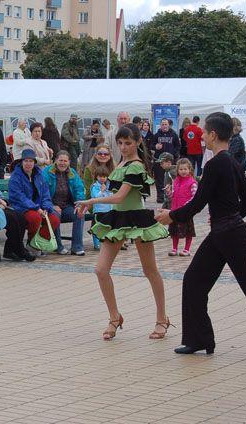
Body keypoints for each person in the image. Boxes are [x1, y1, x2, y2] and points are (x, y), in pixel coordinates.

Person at [155, 112, 246, 358]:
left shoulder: (215, 164)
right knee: (195, 280)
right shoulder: (233, 162)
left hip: (227, 234)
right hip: (227, 233)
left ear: (213, 134)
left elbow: (198, 203)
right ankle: (199, 340)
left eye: (204, 132)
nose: (201, 135)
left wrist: (171, 215)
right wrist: (232, 218)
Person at [75, 124, 171, 341]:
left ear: (137, 142)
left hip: (137, 219)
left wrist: (91, 201)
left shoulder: (136, 166)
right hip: (118, 219)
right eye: (120, 143)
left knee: (150, 271)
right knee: (100, 270)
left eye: (128, 143)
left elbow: (119, 197)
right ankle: (114, 316)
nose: (124, 147)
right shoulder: (121, 163)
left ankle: (161, 318)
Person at [9, 149, 60, 255]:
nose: (28, 163)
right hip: (22, 207)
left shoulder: (39, 175)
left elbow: (46, 194)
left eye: (31, 161)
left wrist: (46, 207)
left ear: (34, 162)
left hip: (40, 208)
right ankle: (32, 244)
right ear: (21, 162)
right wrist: (36, 208)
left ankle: (33, 244)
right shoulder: (16, 176)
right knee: (35, 218)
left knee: (54, 219)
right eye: (26, 161)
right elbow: (19, 197)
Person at [42, 150, 86, 256]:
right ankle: (58, 247)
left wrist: (79, 204)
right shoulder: (47, 172)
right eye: (60, 160)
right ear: (55, 161)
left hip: (67, 206)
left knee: (79, 214)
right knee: (55, 214)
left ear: (69, 162)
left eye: (65, 161)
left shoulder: (72, 173)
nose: (63, 163)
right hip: (51, 206)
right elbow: (43, 192)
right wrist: (51, 205)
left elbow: (79, 189)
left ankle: (76, 247)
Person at [82, 145, 116, 249]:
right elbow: (88, 191)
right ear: (95, 155)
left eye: (105, 154)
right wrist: (92, 206)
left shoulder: (115, 169)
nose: (103, 155)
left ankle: (115, 239)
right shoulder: (89, 169)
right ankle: (98, 240)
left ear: (110, 156)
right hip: (95, 203)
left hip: (111, 203)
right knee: (99, 217)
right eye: (100, 153)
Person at [166, 158, 197, 257]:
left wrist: (187, 206)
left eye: (185, 169)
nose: (183, 171)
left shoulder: (192, 183)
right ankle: (174, 248)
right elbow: (173, 196)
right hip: (175, 210)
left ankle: (186, 249)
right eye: (181, 169)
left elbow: (194, 197)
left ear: (190, 170)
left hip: (186, 211)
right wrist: (169, 193)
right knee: (174, 230)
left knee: (188, 231)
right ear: (177, 170)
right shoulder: (175, 181)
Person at [150, 118, 180, 204]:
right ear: (160, 125)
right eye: (162, 124)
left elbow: (178, 146)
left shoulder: (174, 135)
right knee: (159, 179)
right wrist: (155, 146)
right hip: (159, 160)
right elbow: (151, 145)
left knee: (170, 179)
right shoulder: (156, 135)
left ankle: (171, 196)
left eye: (166, 124)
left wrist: (174, 154)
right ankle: (160, 197)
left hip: (170, 161)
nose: (164, 126)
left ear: (169, 125)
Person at [89, 165, 114, 251]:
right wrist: (102, 191)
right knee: (97, 228)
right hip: (99, 211)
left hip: (108, 210)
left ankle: (106, 242)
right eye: (100, 176)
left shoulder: (109, 185)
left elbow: (112, 196)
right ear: (96, 177)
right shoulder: (95, 186)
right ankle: (97, 244)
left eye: (104, 176)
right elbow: (95, 197)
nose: (102, 178)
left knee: (107, 227)